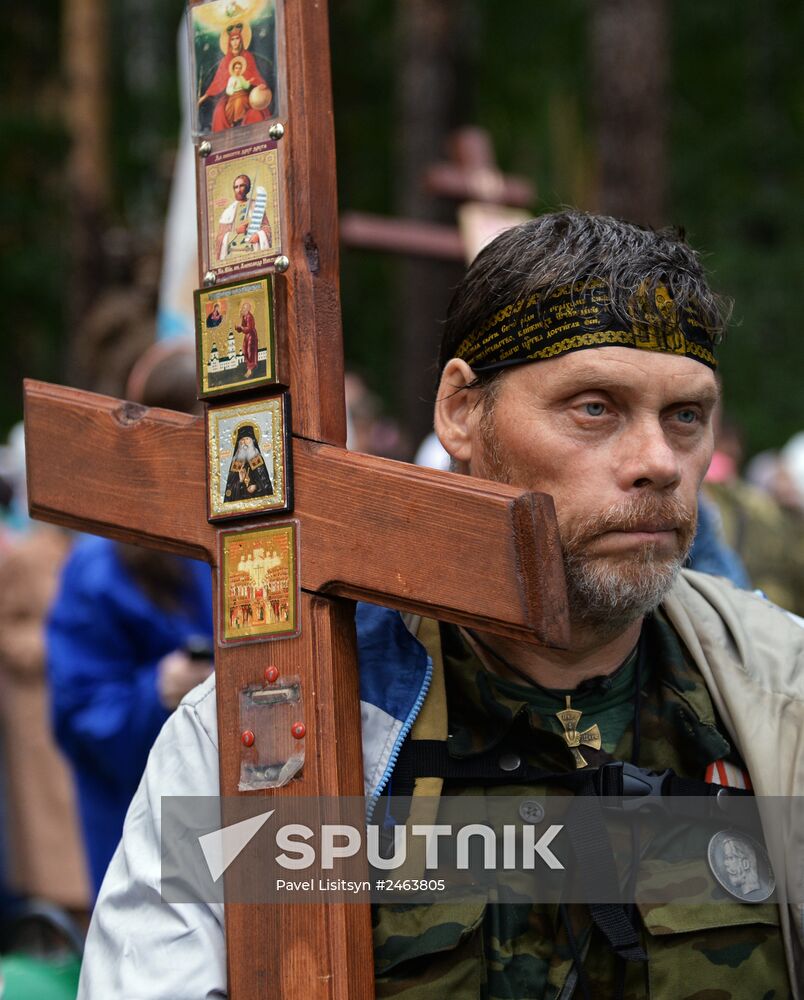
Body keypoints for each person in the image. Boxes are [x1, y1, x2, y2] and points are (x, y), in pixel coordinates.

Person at [77, 214, 803, 998]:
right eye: (594, 407)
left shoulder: (779, 700)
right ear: (461, 412)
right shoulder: (274, 730)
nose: (658, 462)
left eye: (685, 416)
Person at [47, 341, 215, 897]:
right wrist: (160, 689)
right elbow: (80, 717)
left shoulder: (242, 539)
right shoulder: (100, 566)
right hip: (143, 830)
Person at [198, 23, 272, 132]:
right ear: (229, 42)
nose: (235, 42)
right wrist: (204, 97)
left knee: (255, 111)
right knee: (218, 111)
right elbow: (218, 81)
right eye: (232, 39)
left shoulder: (248, 56)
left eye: (237, 38)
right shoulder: (225, 61)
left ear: (241, 40)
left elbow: (255, 75)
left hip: (247, 94)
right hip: (231, 96)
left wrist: (260, 84)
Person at [216, 173, 272, 261]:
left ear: (248, 187)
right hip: (233, 255)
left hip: (252, 252)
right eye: (236, 187)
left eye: (241, 186)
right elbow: (219, 239)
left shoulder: (257, 206)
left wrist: (258, 235)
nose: (238, 190)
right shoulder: (228, 212)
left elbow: (267, 228)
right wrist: (236, 232)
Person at [223, 423, 273, 501]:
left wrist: (256, 486)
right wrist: (240, 481)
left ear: (252, 441)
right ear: (239, 443)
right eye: (242, 440)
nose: (245, 442)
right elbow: (229, 491)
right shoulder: (236, 463)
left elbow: (266, 485)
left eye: (247, 439)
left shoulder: (257, 459)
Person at [235, 299, 259, 377]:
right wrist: (237, 327)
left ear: (248, 309)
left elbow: (248, 328)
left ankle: (250, 369)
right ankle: (249, 368)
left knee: (250, 351)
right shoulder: (244, 316)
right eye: (243, 308)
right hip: (247, 336)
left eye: (245, 308)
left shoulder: (249, 317)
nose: (243, 309)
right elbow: (240, 329)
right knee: (245, 351)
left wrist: (241, 327)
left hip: (251, 336)